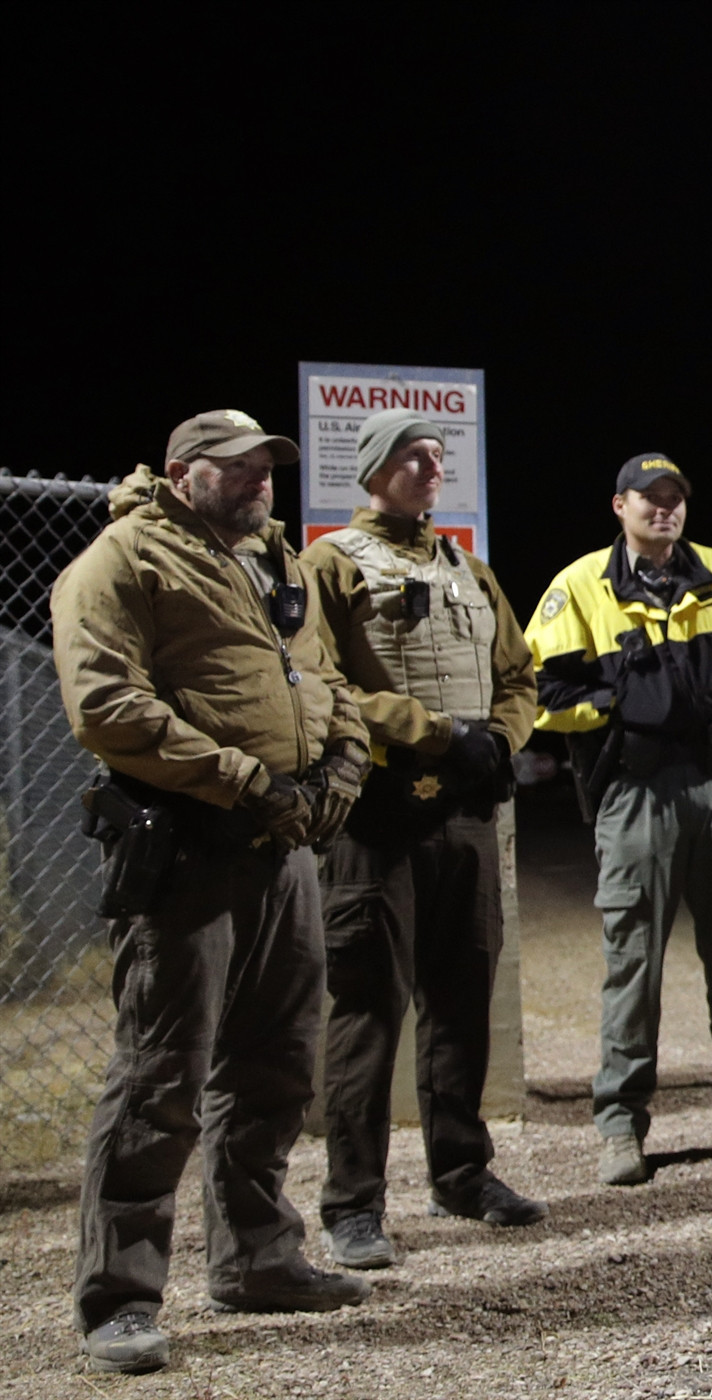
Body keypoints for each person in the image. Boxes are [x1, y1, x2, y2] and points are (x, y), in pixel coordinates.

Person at [51, 411, 374, 1375]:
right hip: (190, 853)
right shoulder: (125, 559)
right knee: (161, 1078)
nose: (258, 481)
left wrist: (343, 763)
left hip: (286, 851)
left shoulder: (276, 562)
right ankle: (119, 1300)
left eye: (267, 466)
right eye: (236, 468)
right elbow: (107, 703)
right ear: (183, 472)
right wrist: (243, 778)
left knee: (279, 1065)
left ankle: (258, 1259)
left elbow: (328, 680)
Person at [300, 407, 546, 1269]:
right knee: (368, 1005)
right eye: (413, 454)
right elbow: (318, 681)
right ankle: (353, 1203)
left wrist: (501, 740)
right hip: (380, 812)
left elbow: (520, 675)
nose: (432, 466)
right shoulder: (330, 563)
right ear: (374, 470)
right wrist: (437, 733)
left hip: (466, 811)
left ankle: (461, 1173)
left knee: (464, 994)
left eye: (438, 454)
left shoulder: (469, 571)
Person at [526, 453, 712, 1186]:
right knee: (634, 964)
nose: (665, 509)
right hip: (636, 791)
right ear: (618, 506)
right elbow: (538, 692)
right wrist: (619, 703)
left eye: (675, 497)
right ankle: (621, 1127)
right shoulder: (580, 585)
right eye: (649, 498)